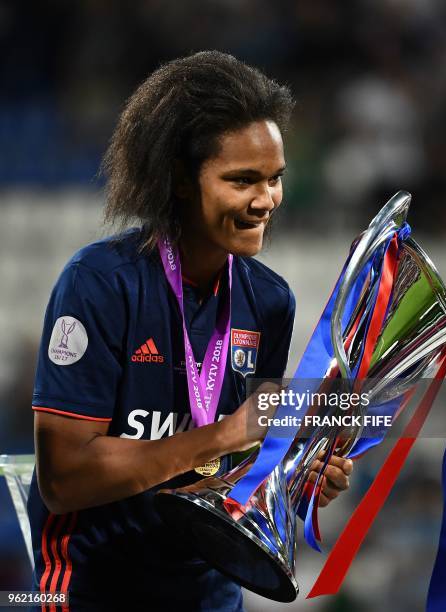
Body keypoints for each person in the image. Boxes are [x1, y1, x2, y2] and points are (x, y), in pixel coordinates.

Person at [28, 51, 353, 611]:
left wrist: (296, 473)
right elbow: (64, 479)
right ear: (179, 178)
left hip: (211, 590)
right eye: (242, 180)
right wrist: (223, 435)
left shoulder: (270, 301)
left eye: (275, 179)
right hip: (94, 589)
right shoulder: (101, 284)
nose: (266, 201)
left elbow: (239, 465)